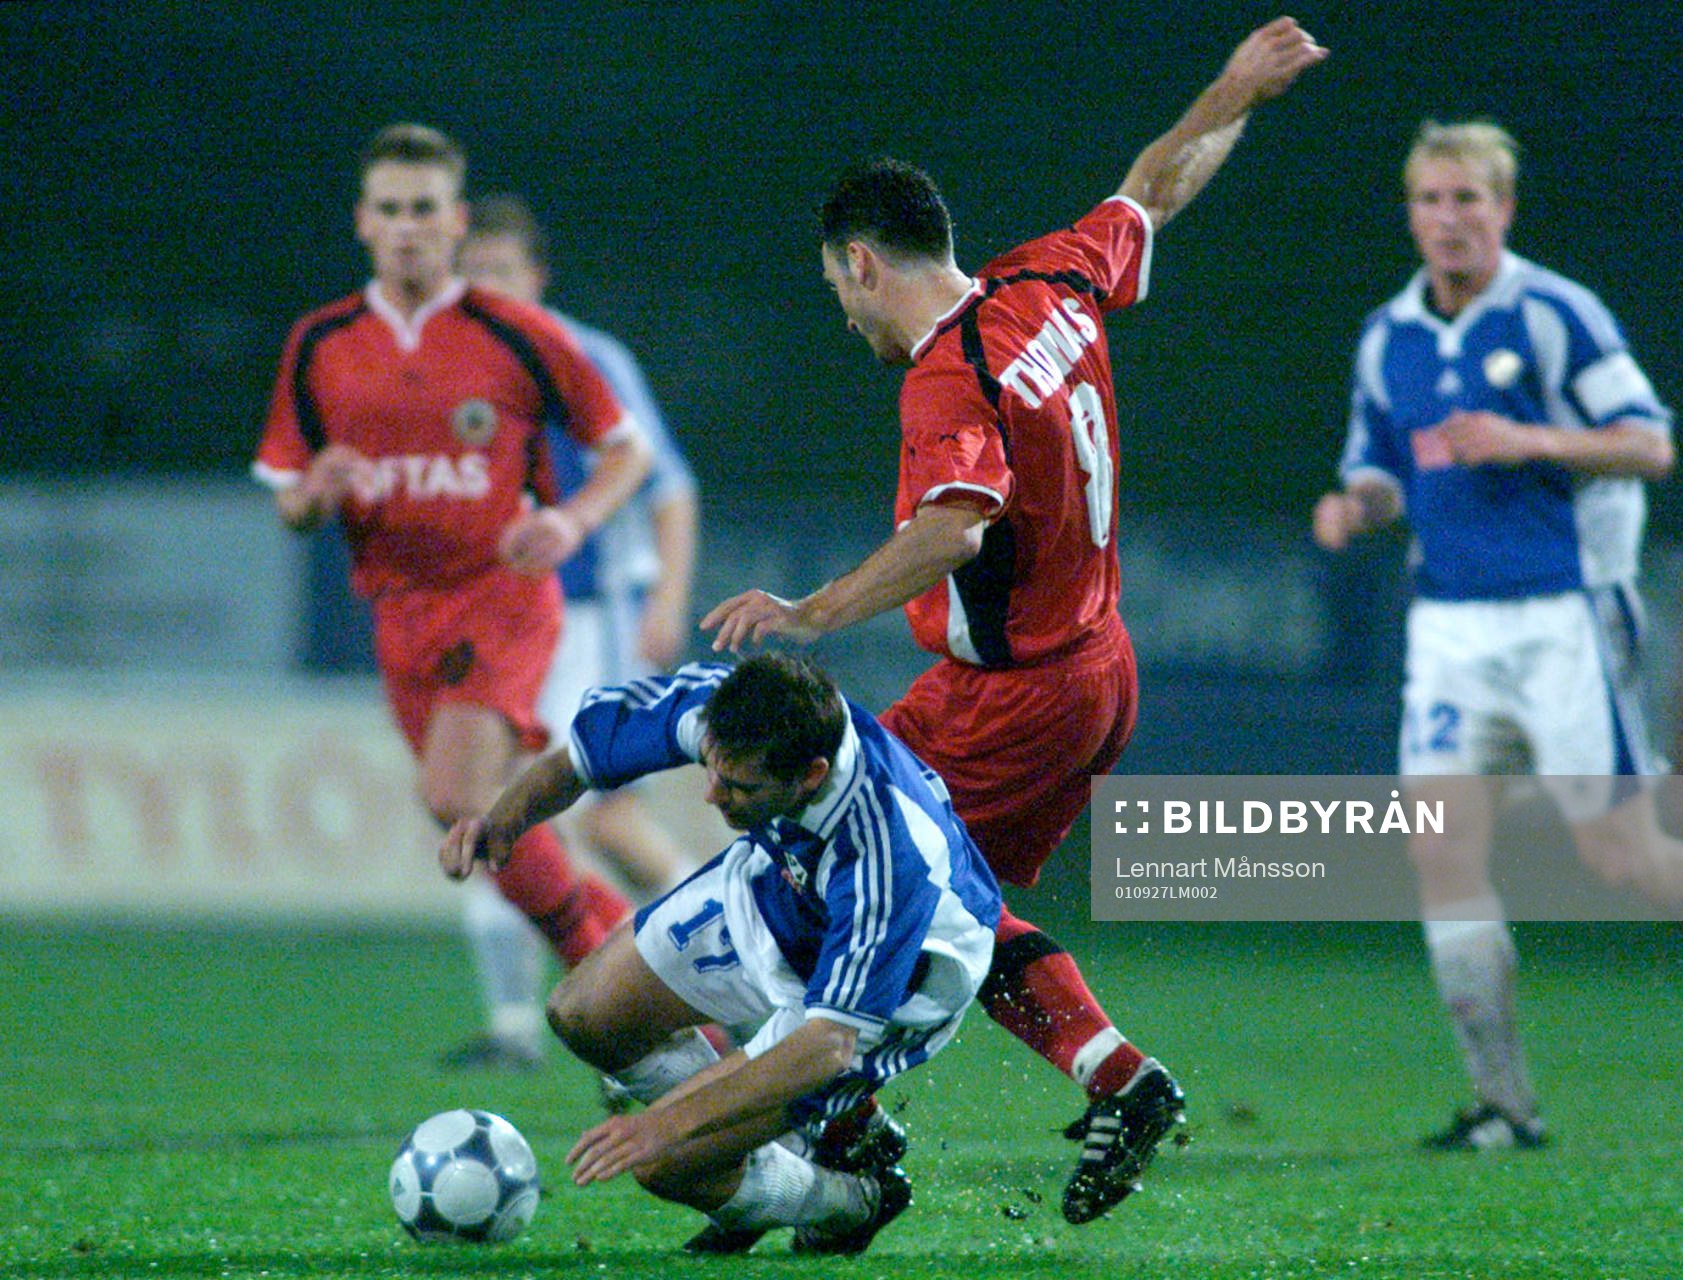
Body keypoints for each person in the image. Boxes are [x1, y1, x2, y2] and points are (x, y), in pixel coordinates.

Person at [702, 16, 1327, 1221]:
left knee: (824, 857)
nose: (844, 316)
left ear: (864, 263)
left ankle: (842, 1130)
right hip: (1097, 662)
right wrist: (1234, 92)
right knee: (957, 901)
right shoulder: (1049, 279)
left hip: (1014, 695)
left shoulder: (949, 373)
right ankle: (1117, 1077)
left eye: (839, 286)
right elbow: (1157, 183)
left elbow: (955, 525)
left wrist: (811, 609)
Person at [1310, 119, 1683, 1150]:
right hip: (1449, 624)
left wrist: (1527, 437)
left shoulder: (1552, 314)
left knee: (1625, 855)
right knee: (1441, 849)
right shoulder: (1389, 335)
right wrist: (1356, 503)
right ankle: (1505, 1104)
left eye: (1469, 199)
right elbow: (1381, 463)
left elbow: (1649, 444)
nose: (1449, 219)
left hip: (1563, 616)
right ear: (1410, 210)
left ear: (1504, 207)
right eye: (1431, 200)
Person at [253, 124, 651, 984]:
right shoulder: (321, 345)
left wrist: (572, 522)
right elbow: (288, 502)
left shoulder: (515, 332)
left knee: (457, 798)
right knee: (480, 821)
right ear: (363, 220)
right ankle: (653, 979)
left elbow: (629, 451)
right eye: (390, 208)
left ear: (455, 220)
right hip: (399, 614)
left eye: (424, 209)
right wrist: (314, 493)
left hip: (500, 595)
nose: (407, 226)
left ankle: (621, 999)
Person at [439, 654, 1003, 1255]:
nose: (713, 794)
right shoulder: (726, 709)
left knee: (670, 1165)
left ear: (811, 776)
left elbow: (826, 1044)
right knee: (584, 1012)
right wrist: (501, 821)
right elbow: (580, 759)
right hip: (781, 888)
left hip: (902, 987)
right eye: (712, 769)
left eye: (738, 787)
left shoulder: (887, 850)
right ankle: (824, 1135)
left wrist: (667, 1123)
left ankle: (856, 1201)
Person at [438, 193, 703, 1073]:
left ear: (536, 277)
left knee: (604, 820)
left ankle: (712, 983)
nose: (485, 287)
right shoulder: (446, 366)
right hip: (491, 620)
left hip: (592, 618)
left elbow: (667, 487)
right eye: (470, 272)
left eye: (500, 271)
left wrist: (665, 602)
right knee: (488, 804)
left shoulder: (589, 358)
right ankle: (514, 1023)